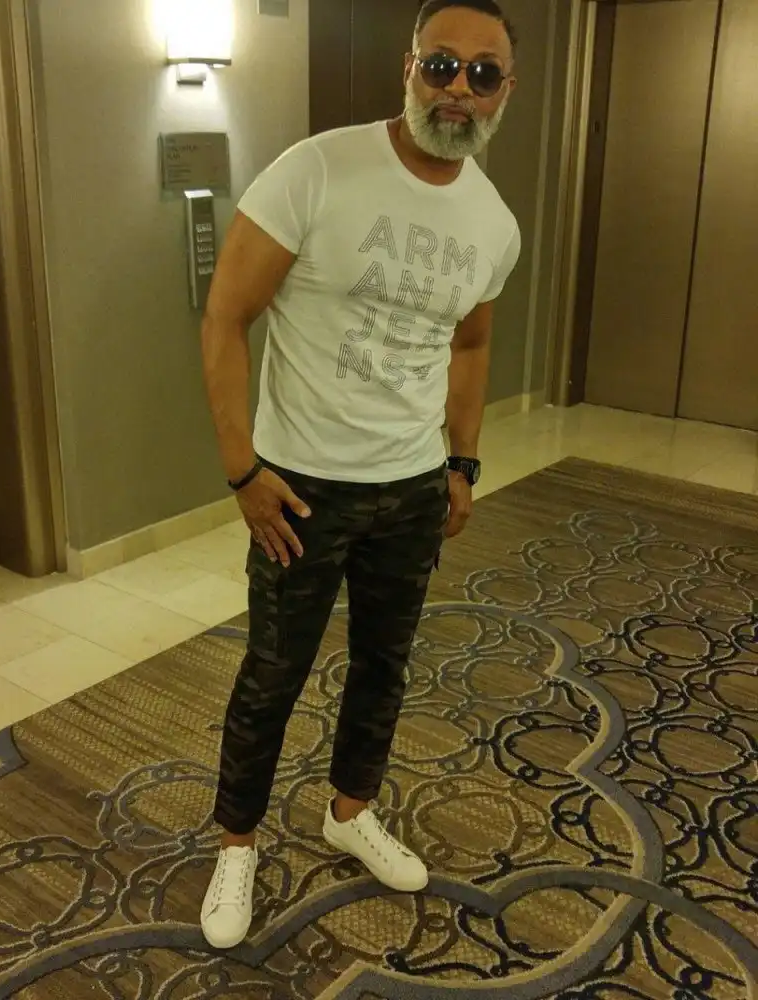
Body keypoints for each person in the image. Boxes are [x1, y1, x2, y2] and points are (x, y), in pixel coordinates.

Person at [199, 0, 521, 950]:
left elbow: (471, 345)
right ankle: (237, 845)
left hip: (412, 487)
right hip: (299, 488)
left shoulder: (494, 222)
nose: (458, 90)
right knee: (273, 673)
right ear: (408, 65)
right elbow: (225, 317)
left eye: (483, 74)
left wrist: (461, 461)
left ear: (505, 90)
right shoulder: (317, 169)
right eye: (441, 65)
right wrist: (242, 472)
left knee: (384, 665)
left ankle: (350, 812)